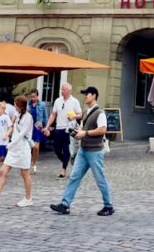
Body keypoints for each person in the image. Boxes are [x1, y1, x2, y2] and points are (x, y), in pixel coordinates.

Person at [50, 87, 113, 216]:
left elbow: (102, 130)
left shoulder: (99, 113)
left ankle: (108, 206)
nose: (85, 96)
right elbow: (84, 129)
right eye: (84, 94)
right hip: (83, 150)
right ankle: (65, 204)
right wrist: (78, 131)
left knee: (100, 178)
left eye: (87, 94)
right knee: (74, 176)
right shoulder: (85, 112)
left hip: (95, 151)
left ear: (94, 96)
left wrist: (85, 133)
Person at [0, 95, 34, 207]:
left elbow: (22, 134)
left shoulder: (28, 117)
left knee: (25, 173)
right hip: (14, 148)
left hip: (22, 149)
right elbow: (13, 128)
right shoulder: (17, 115)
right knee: (3, 171)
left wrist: (10, 144)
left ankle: (28, 198)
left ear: (19, 105)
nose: (14, 106)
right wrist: (9, 136)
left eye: (15, 104)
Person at [44, 83, 82, 179]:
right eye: (61, 89)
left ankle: (63, 169)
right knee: (56, 149)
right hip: (59, 128)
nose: (62, 91)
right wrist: (47, 126)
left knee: (66, 149)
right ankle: (66, 161)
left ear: (69, 91)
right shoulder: (58, 101)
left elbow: (80, 114)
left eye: (63, 90)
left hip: (69, 128)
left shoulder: (74, 101)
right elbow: (53, 115)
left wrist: (74, 116)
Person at [27, 89, 49, 174]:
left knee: (36, 147)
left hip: (37, 127)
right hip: (28, 128)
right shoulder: (27, 105)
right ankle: (27, 164)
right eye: (31, 96)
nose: (33, 98)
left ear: (37, 96)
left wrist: (46, 127)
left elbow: (45, 117)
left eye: (34, 96)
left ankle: (34, 164)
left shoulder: (42, 105)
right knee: (28, 147)